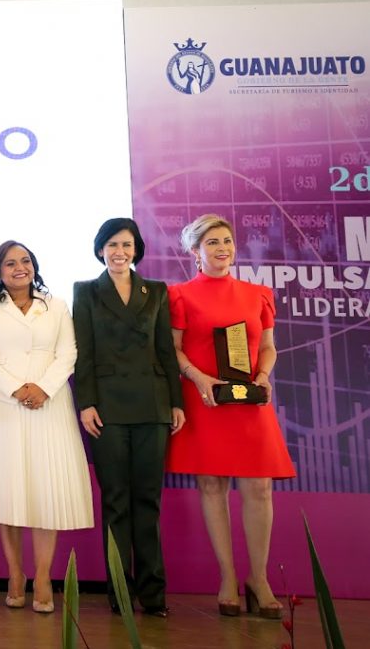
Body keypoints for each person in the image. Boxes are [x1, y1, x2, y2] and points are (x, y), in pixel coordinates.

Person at [166, 214, 295, 619]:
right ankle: (227, 578)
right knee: (212, 487)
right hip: (206, 400)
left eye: (227, 241)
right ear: (195, 251)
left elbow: (269, 347)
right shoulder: (179, 296)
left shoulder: (259, 294)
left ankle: (259, 579)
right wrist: (198, 377)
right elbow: (173, 350)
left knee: (260, 489)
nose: (222, 249)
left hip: (250, 403)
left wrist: (263, 376)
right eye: (212, 243)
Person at [72, 217, 184, 618]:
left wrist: (176, 402)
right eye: (112, 245)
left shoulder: (156, 291)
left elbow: (165, 350)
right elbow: (83, 352)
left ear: (136, 250)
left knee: (148, 500)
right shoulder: (85, 291)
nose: (119, 252)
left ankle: (154, 594)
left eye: (127, 245)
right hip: (107, 408)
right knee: (116, 501)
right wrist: (86, 402)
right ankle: (120, 592)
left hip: (152, 405)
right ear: (100, 249)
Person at [0, 240, 93, 614]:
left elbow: (68, 353)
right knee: (8, 491)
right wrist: (15, 388)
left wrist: (43, 387)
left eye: (25, 261)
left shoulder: (55, 305)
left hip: (49, 403)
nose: (19, 268)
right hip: (1, 405)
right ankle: (15, 573)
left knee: (46, 491)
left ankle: (42, 576)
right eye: (10, 263)